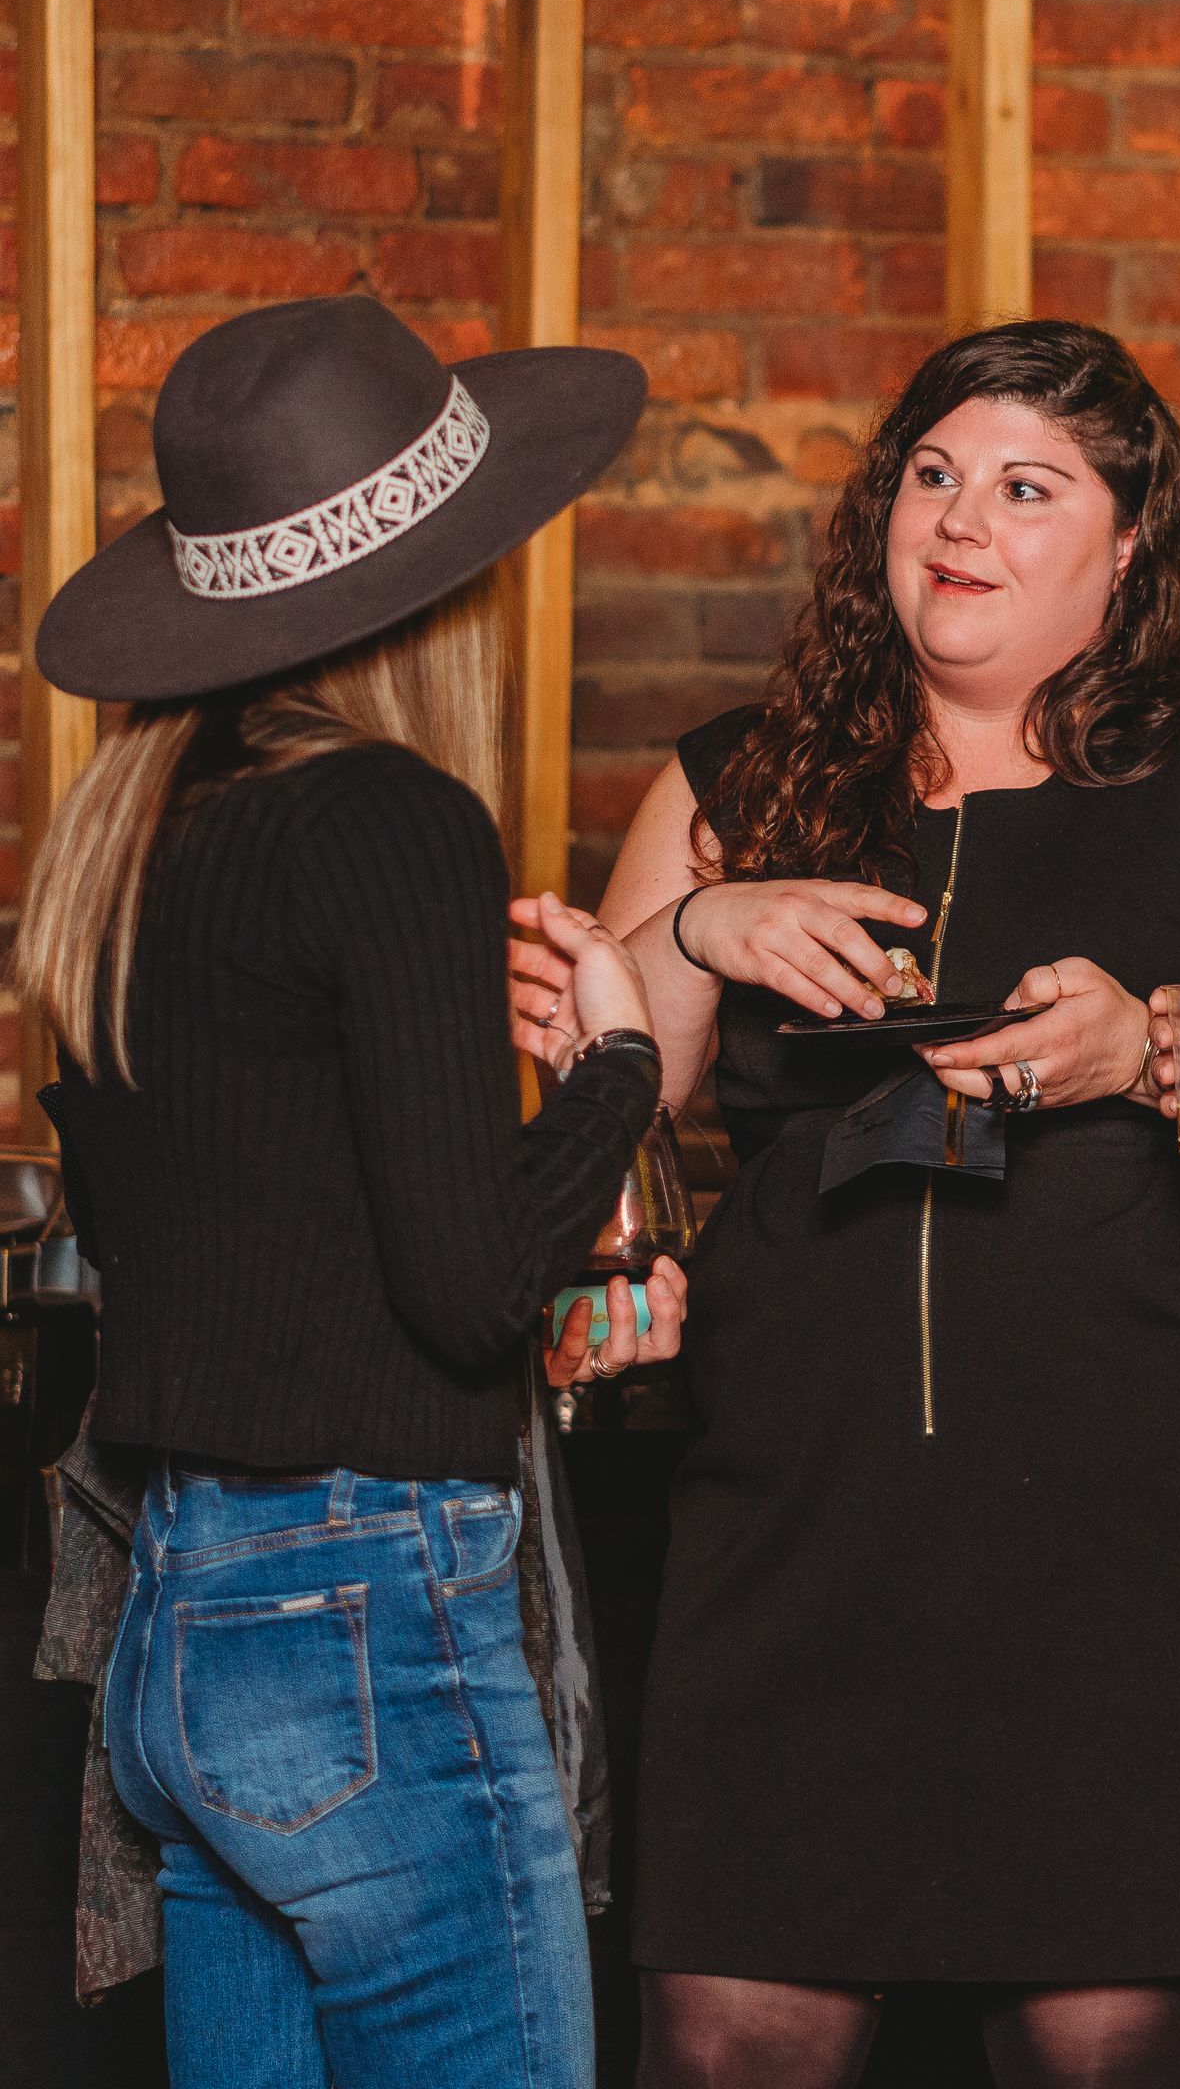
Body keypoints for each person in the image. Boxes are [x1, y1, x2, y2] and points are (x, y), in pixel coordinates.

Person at [512, 319, 1180, 2089]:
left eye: (1027, 488)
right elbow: (612, 1120)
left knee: (1092, 2053)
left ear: (1130, 540)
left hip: (1118, 1558)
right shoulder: (735, 784)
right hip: (789, 1531)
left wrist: (1153, 1055)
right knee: (724, 2042)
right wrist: (703, 927)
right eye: (934, 475)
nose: (962, 520)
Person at [20, 296, 689, 2089]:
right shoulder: (388, 817)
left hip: (183, 1615)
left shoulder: (127, 837)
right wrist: (617, 1069)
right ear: (447, 580)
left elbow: (284, 1250)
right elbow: (465, 1283)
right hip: (362, 1617)